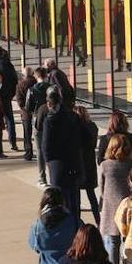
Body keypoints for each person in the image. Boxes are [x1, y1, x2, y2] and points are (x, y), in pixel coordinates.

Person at [39, 87, 85, 220]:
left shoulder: (50, 120)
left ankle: (64, 224)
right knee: (74, 198)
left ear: (49, 104)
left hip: (57, 165)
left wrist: (48, 161)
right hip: (73, 162)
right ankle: (75, 224)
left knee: (59, 199)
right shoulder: (73, 117)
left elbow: (45, 145)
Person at [97, 135, 132, 264]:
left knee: (113, 244)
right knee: (129, 241)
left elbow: (102, 189)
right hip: (129, 208)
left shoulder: (105, 166)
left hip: (111, 208)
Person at [75, 106, 101, 226]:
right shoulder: (92, 127)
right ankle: (98, 220)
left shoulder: (76, 128)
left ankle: (77, 222)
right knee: (92, 196)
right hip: (89, 163)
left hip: (79, 163)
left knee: (77, 198)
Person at [25, 67, 51, 180]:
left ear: (36, 76)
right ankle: (52, 174)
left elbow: (27, 106)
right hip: (51, 117)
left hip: (37, 118)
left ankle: (42, 176)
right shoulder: (52, 88)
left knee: (39, 149)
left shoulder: (31, 90)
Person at [16, 67, 39, 160]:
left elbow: (19, 99)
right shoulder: (37, 82)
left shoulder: (21, 84)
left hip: (26, 112)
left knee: (27, 132)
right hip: (37, 111)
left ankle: (28, 151)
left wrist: (24, 108)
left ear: (23, 74)